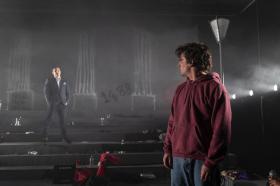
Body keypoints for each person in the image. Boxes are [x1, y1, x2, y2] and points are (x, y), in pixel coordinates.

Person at [163, 42, 232, 186]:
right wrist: (168, 149)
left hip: (202, 161)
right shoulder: (180, 90)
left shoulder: (216, 88)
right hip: (178, 159)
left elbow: (222, 130)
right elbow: (172, 122)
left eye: (181, 60)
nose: (178, 64)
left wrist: (210, 162)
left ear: (192, 61)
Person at [43, 67, 71, 143]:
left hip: (62, 104)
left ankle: (64, 138)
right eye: (55, 71)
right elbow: (46, 93)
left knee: (63, 121)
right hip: (53, 104)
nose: (57, 72)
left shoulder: (65, 81)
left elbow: (68, 93)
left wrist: (66, 102)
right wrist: (49, 102)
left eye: (58, 70)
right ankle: (45, 137)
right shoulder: (49, 81)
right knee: (48, 120)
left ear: (60, 72)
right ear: (53, 73)